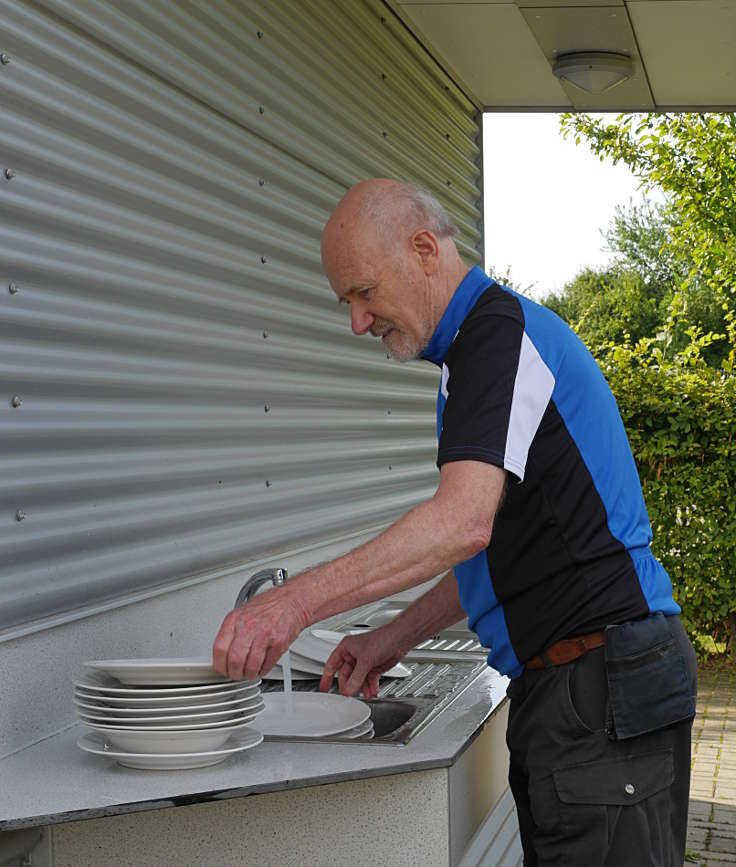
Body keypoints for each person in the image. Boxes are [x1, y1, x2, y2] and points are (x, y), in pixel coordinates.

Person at [213, 178, 697, 865]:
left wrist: (288, 606)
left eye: (363, 292)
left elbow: (461, 523)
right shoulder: (474, 353)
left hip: (599, 680)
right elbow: (492, 548)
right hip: (591, 680)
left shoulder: (497, 338)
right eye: (345, 302)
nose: (357, 321)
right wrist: (389, 637)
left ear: (423, 250)